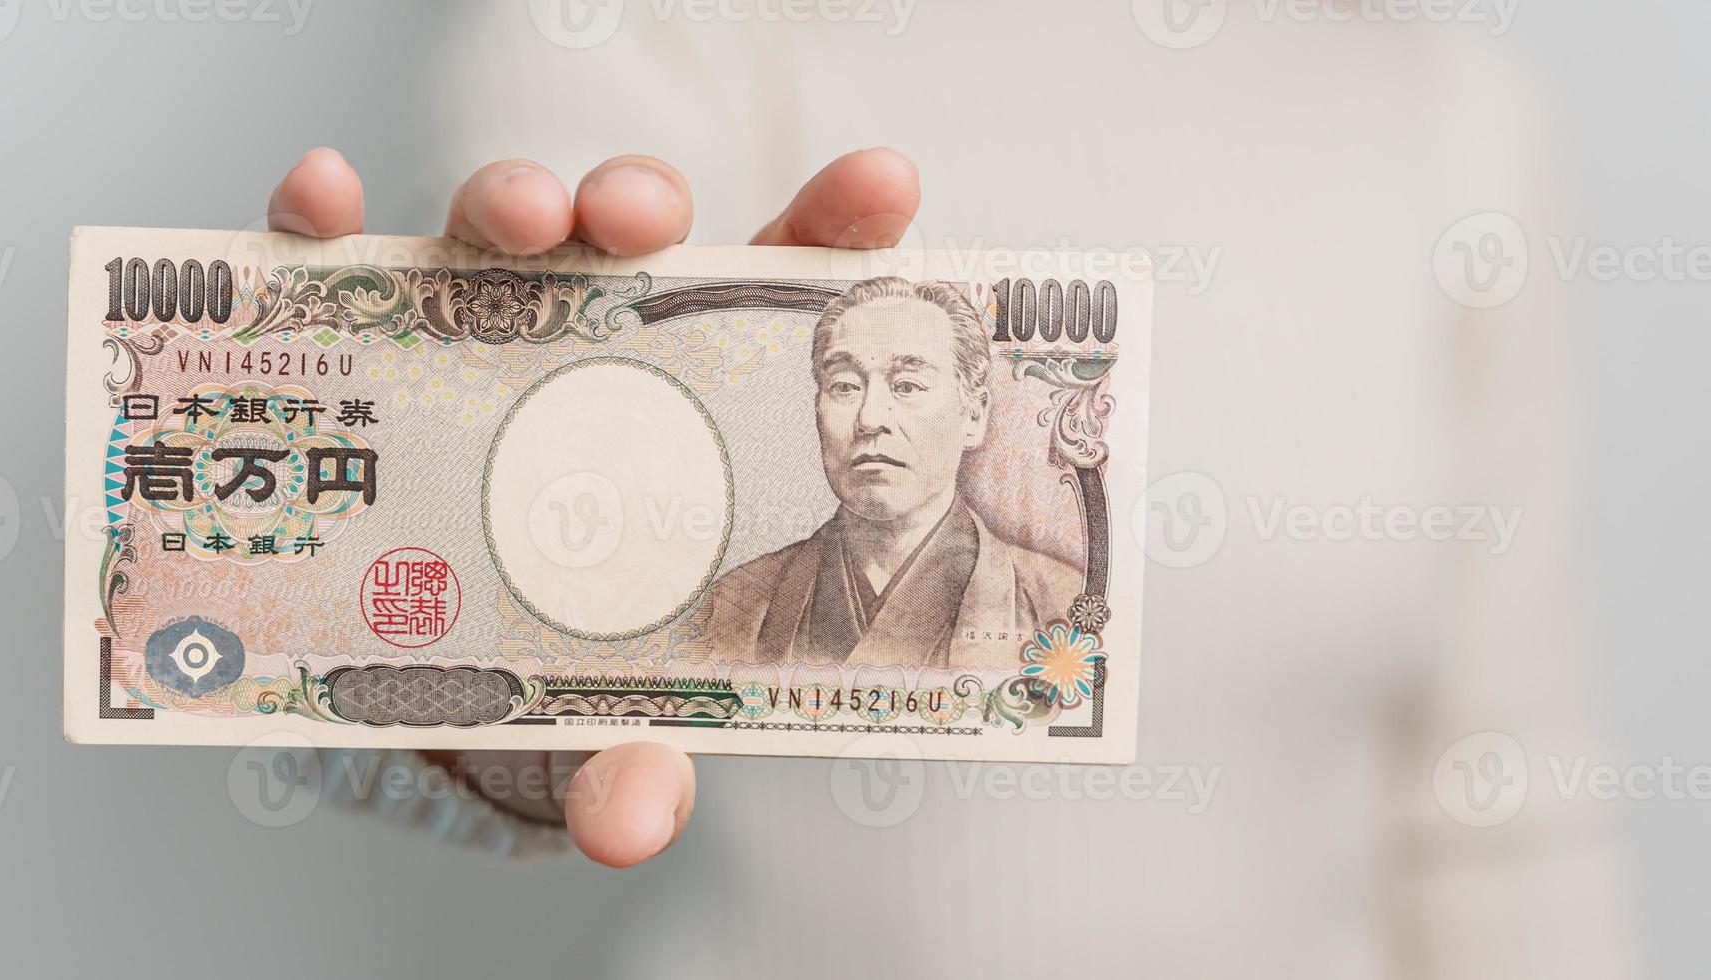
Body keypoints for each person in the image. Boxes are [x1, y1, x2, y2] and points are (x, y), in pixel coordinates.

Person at [261, 7, 1633, 976]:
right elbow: (480, 633)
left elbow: (1501, 809)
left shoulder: (1458, 118)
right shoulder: (661, 34)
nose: (869, 424)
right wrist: (451, 550)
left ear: (979, 408)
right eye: (836, 386)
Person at [693, 275, 1084, 667]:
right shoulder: (731, 608)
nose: (871, 418)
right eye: (845, 386)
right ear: (817, 409)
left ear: (974, 415)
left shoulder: (1063, 605)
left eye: (908, 385)